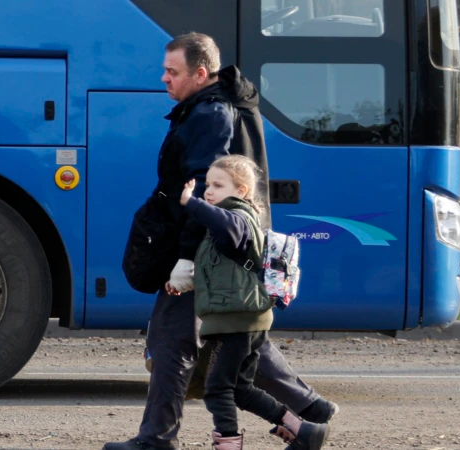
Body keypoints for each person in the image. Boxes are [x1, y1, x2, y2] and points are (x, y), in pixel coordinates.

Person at [105, 32, 336, 450]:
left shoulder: (211, 115)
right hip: (222, 249)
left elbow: (203, 194)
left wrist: (188, 259)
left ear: (200, 72)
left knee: (171, 341)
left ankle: (157, 439)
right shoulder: (213, 107)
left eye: (172, 72)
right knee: (239, 333)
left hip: (210, 250)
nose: (164, 79)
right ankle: (311, 411)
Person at [174, 155, 329, 450]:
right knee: (241, 389)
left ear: (242, 191)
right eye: (207, 184)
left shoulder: (238, 216)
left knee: (217, 389)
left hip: (237, 321)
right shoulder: (223, 223)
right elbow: (222, 272)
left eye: (218, 185)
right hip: (240, 317)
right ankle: (304, 431)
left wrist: (192, 203)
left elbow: (229, 227)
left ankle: (228, 446)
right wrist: (182, 283)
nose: (209, 191)